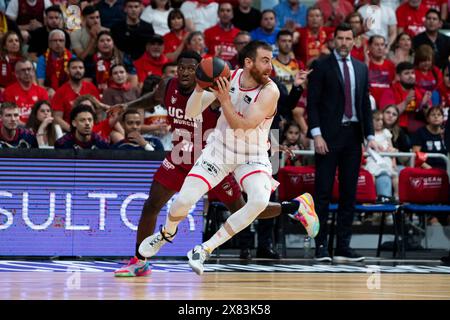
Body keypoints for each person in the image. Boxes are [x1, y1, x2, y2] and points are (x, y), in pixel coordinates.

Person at [113, 49, 316, 276]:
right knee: (180, 203)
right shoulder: (223, 78)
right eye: (266, 61)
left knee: (254, 203)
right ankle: (164, 236)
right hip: (215, 152)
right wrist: (201, 88)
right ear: (249, 63)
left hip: (251, 156)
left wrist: (224, 99)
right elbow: (191, 111)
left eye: (270, 61)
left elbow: (243, 127)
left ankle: (205, 249)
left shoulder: (270, 89)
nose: (271, 67)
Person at [307, 23, 378, 262]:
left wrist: (370, 136)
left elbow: (365, 105)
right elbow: (313, 103)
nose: (345, 42)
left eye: (349, 38)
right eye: (341, 38)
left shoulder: (361, 68)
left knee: (349, 193)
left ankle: (343, 246)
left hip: (353, 137)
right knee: (323, 193)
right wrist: (316, 134)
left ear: (354, 41)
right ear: (334, 40)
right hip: (327, 137)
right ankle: (321, 246)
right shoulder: (321, 65)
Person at [52, 58, 100, 132]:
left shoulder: (91, 88)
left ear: (84, 70)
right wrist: (74, 131)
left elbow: (98, 113)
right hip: (70, 132)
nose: (78, 70)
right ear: (67, 70)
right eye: (74, 68)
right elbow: (57, 118)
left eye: (81, 68)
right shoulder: (60, 91)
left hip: (92, 131)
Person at [3, 58, 49, 124]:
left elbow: (45, 115)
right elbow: (10, 117)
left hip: (38, 129)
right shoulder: (9, 92)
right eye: (23, 70)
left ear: (33, 71)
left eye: (29, 69)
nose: (27, 73)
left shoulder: (42, 92)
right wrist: (27, 129)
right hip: (17, 130)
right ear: (16, 74)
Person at [37, 29, 75, 96]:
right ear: (49, 43)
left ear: (65, 43)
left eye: (61, 40)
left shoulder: (73, 58)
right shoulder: (42, 59)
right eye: (55, 40)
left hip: (69, 92)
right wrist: (48, 89)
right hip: (50, 94)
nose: (58, 43)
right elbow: (40, 85)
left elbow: (76, 82)